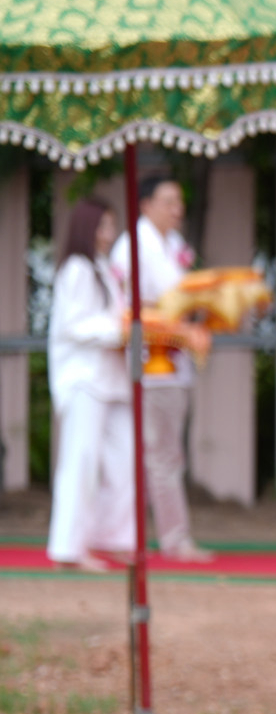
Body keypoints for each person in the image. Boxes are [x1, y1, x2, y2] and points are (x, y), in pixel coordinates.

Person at [108, 171, 210, 561]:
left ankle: (162, 535)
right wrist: (174, 314)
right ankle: (171, 538)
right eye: (169, 202)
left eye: (180, 202)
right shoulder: (133, 245)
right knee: (160, 454)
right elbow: (129, 306)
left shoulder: (174, 243)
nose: (177, 209)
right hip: (152, 364)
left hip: (175, 360)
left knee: (165, 453)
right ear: (145, 205)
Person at [46, 198, 135, 572]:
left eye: (111, 227)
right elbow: (74, 325)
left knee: (124, 460)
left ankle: (112, 537)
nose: (108, 235)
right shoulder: (77, 269)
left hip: (112, 378)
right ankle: (68, 548)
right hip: (84, 379)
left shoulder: (103, 269)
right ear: (86, 229)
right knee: (80, 461)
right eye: (102, 227)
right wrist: (119, 329)